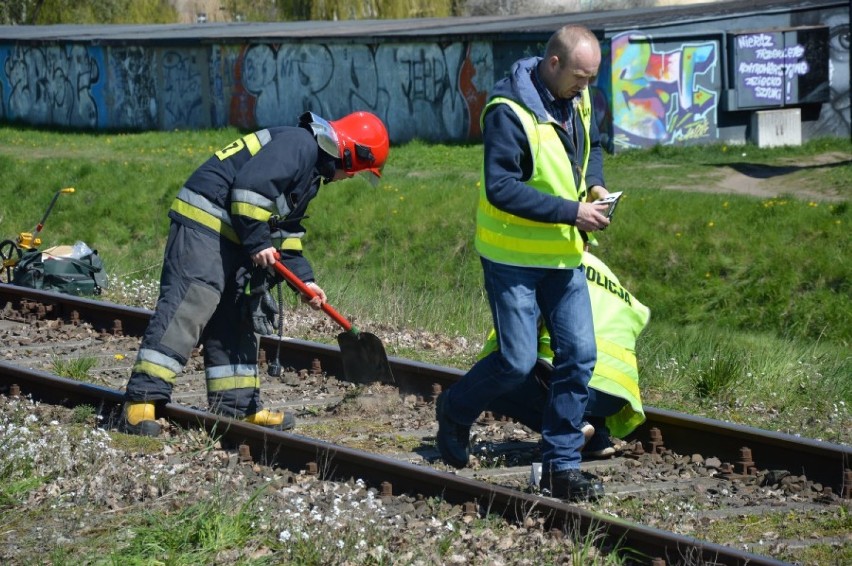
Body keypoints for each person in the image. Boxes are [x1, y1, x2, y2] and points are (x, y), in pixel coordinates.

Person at [120, 111, 390, 437]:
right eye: (356, 172)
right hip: (206, 223)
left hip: (235, 237)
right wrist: (258, 241)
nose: (349, 178)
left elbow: (286, 234)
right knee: (191, 303)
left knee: (236, 318)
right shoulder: (299, 146)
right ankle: (141, 400)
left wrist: (305, 281)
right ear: (349, 153)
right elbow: (248, 192)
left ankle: (237, 409)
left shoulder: (310, 176)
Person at [435, 24, 612, 501]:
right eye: (580, 76)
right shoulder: (507, 111)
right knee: (516, 363)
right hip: (511, 257)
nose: (586, 87)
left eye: (591, 77)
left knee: (579, 357)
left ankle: (560, 465)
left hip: (563, 256)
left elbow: (585, 154)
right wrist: (573, 211)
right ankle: (454, 408)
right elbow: (502, 187)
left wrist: (594, 187)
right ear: (553, 63)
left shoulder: (578, 96)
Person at [482, 250, 651, 459]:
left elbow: (523, 330)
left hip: (579, 379)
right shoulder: (605, 272)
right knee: (572, 363)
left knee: (491, 380)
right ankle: (596, 436)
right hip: (617, 392)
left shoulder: (548, 263)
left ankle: (572, 428)